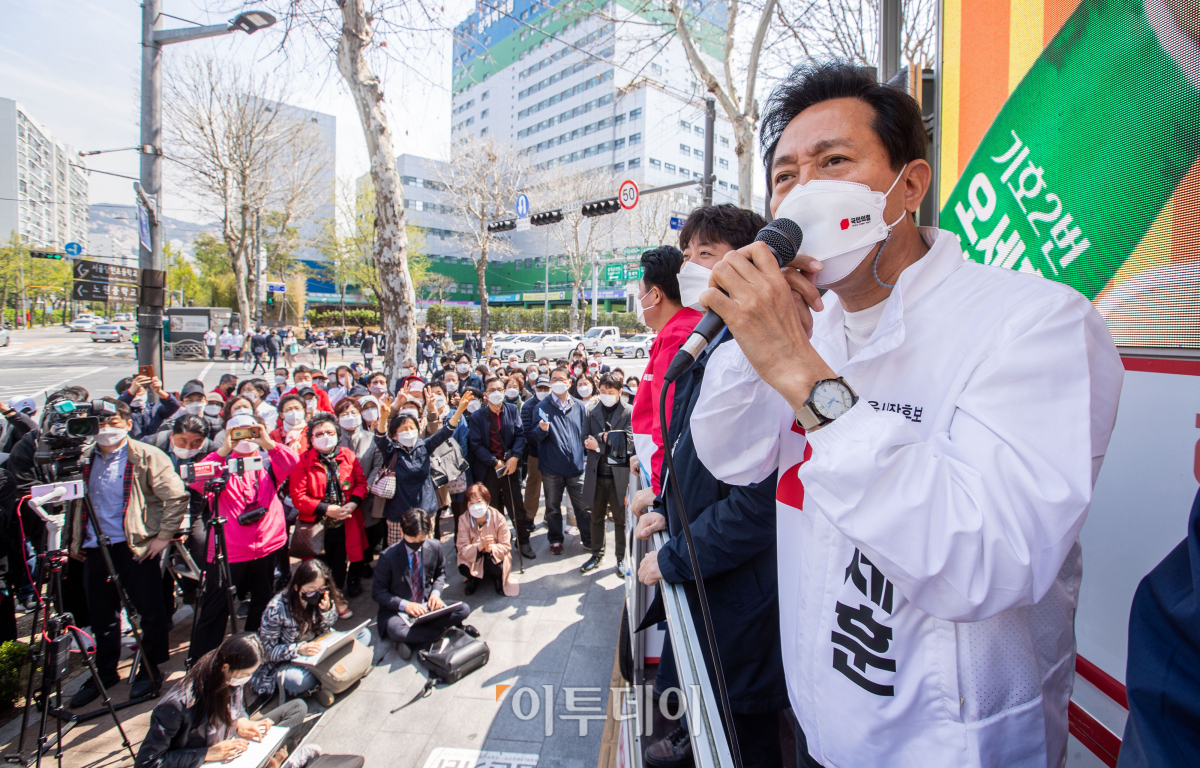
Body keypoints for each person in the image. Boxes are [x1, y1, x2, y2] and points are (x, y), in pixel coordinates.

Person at [688, 62, 1123, 767]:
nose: (806, 192)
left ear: (909, 186)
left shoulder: (1033, 323)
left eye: (833, 162)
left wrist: (804, 376)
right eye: (787, 177)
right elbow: (730, 455)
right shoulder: (813, 328)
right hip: (822, 728)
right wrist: (758, 341)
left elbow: (984, 560)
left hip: (951, 747)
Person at [634, 204, 789, 768]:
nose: (690, 267)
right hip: (705, 578)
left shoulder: (757, 354)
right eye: (689, 254)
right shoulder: (710, 344)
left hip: (737, 596)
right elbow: (692, 458)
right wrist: (667, 510)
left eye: (706, 254)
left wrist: (676, 555)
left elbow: (756, 504)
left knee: (740, 732)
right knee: (698, 714)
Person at [66, 398, 189, 708]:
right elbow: (74, 503)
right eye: (101, 424)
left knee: (149, 610)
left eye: (114, 423)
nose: (107, 429)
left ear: (128, 424)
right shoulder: (83, 458)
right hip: (96, 546)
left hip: (136, 545)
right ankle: (105, 672)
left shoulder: (146, 455)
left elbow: (175, 497)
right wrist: (74, 539)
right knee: (102, 615)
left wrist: (163, 537)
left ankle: (150, 668)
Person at [187, 415, 300, 665]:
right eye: (238, 433)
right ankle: (202, 664)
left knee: (261, 602)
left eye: (250, 432)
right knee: (216, 609)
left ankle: (251, 654)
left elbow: (293, 462)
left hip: (267, 546)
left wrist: (267, 442)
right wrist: (223, 451)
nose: (245, 438)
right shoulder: (222, 464)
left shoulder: (269, 462)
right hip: (230, 550)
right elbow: (195, 480)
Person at [136, 633, 308, 768]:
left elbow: (237, 707)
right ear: (225, 667)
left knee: (297, 708)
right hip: (203, 759)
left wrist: (241, 721)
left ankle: (274, 758)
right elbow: (147, 763)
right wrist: (206, 754)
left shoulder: (227, 674)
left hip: (232, 745)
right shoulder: (178, 705)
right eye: (245, 675)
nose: (246, 680)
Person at [629, 245, 700, 503]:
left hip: (669, 480)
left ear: (656, 294)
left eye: (640, 289)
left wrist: (660, 490)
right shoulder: (678, 329)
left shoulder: (677, 337)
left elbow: (669, 420)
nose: (639, 297)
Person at [252, 560, 372, 705]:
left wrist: (327, 610)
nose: (316, 593)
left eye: (321, 588)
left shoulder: (322, 597)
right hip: (294, 658)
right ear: (297, 587)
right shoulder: (276, 609)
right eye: (311, 589)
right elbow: (267, 652)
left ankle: (333, 677)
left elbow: (327, 627)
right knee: (296, 681)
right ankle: (337, 676)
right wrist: (299, 649)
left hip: (320, 645)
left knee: (364, 634)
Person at [374, 393, 473, 546]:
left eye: (411, 428)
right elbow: (380, 439)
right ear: (395, 435)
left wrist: (459, 410)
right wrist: (383, 419)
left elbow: (445, 432)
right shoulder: (391, 452)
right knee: (399, 553)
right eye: (404, 429)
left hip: (425, 509)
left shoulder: (423, 447)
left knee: (426, 550)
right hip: (398, 512)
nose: (408, 431)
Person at [289, 413, 369, 602]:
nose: (325, 436)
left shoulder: (347, 455)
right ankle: (318, 600)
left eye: (329, 432)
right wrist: (326, 509)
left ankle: (335, 597)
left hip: (345, 523)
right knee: (317, 567)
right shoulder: (303, 461)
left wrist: (354, 503)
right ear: (311, 438)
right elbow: (298, 497)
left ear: (337, 434)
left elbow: (361, 483)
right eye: (319, 434)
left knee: (340, 563)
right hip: (317, 526)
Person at [373, 508, 472, 660]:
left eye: (421, 541)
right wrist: (405, 605)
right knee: (397, 630)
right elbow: (378, 593)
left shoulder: (434, 546)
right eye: (412, 541)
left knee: (463, 609)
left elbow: (440, 574)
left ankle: (414, 640)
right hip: (400, 612)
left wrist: (435, 594)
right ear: (402, 531)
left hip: (426, 606)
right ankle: (442, 634)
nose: (416, 545)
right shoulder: (388, 556)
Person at [148, 415, 216, 606]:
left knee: (201, 542)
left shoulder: (209, 451)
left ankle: (192, 589)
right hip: (157, 507)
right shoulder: (151, 445)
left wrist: (185, 521)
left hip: (193, 506)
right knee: (157, 554)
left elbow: (200, 493)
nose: (188, 448)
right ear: (172, 436)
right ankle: (164, 603)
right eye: (183, 441)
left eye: (196, 443)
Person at [527, 367, 589, 556]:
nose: (557, 383)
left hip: (576, 467)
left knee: (583, 507)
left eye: (561, 379)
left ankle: (589, 539)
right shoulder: (541, 407)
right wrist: (541, 430)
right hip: (551, 469)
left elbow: (585, 433)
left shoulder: (579, 406)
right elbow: (532, 437)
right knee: (553, 507)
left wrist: (585, 456)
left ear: (569, 383)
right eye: (553, 380)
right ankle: (555, 539)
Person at [467, 377, 531, 560]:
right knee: (493, 509)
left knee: (516, 506)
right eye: (492, 389)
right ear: (485, 394)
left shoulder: (511, 410)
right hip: (489, 469)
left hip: (510, 467)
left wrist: (515, 458)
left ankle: (523, 541)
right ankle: (498, 543)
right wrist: (494, 462)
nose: (497, 393)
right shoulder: (478, 416)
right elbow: (476, 444)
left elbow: (520, 434)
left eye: (500, 389)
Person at [580, 373, 632, 575]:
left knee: (620, 520)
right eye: (602, 392)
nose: (606, 395)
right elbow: (585, 437)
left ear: (620, 392)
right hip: (596, 474)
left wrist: (599, 443)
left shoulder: (628, 411)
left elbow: (627, 442)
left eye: (610, 392)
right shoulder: (591, 410)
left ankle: (621, 557)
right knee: (596, 517)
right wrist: (605, 440)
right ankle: (596, 553)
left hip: (618, 475)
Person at [455, 484, 514, 596]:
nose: (475, 506)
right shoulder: (463, 519)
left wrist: (491, 547)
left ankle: (497, 579)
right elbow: (461, 547)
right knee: (463, 566)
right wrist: (479, 546)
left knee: (497, 566)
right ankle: (472, 579)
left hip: (493, 554)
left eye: (479, 502)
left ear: (487, 501)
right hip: (474, 555)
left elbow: (506, 545)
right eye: (471, 503)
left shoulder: (498, 517)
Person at [519, 375, 551, 545]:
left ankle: (549, 516)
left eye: (547, 389)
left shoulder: (554, 403)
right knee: (533, 485)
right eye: (540, 389)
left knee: (552, 486)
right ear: (534, 389)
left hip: (553, 453)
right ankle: (529, 516)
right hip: (535, 453)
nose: (544, 392)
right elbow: (527, 432)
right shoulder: (528, 406)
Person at [116, 374, 181, 439]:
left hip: (153, 445)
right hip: (130, 446)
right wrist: (131, 391)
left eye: (139, 391)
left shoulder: (154, 408)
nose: (136, 395)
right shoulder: (123, 410)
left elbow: (173, 405)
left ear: (146, 390)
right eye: (133, 392)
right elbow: (118, 407)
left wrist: (159, 391)